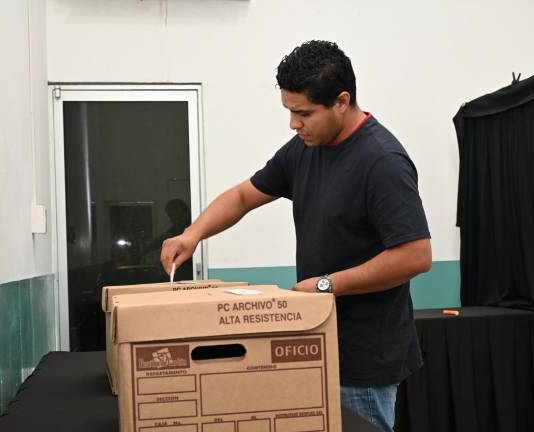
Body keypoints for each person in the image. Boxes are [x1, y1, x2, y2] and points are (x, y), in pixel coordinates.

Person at [160, 40, 431, 432]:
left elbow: (415, 255)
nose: (293, 124)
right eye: (289, 111)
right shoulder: (305, 149)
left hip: (364, 358)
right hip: (316, 341)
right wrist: (193, 234)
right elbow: (243, 195)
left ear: (341, 101)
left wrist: (326, 285)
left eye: (303, 113)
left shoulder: (382, 162)